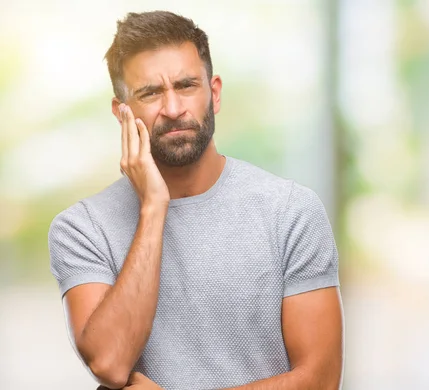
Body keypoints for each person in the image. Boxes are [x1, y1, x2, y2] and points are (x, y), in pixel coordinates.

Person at [48, 10, 343, 390]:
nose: (173, 109)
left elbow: (320, 380)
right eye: (150, 93)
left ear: (214, 93)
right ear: (121, 112)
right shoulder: (81, 228)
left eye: (186, 85)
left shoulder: (290, 212)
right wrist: (153, 208)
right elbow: (110, 362)